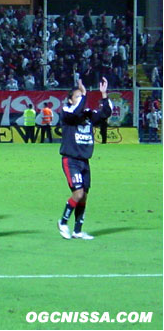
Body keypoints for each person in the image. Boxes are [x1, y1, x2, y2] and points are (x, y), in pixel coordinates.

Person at [57, 78, 111, 241]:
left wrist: (103, 94)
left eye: (82, 97)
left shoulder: (87, 114)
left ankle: (78, 231)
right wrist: (85, 95)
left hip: (84, 161)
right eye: (77, 97)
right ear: (70, 100)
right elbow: (75, 111)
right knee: (78, 193)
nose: (81, 100)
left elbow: (106, 113)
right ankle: (63, 221)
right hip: (71, 160)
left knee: (84, 196)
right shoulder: (67, 112)